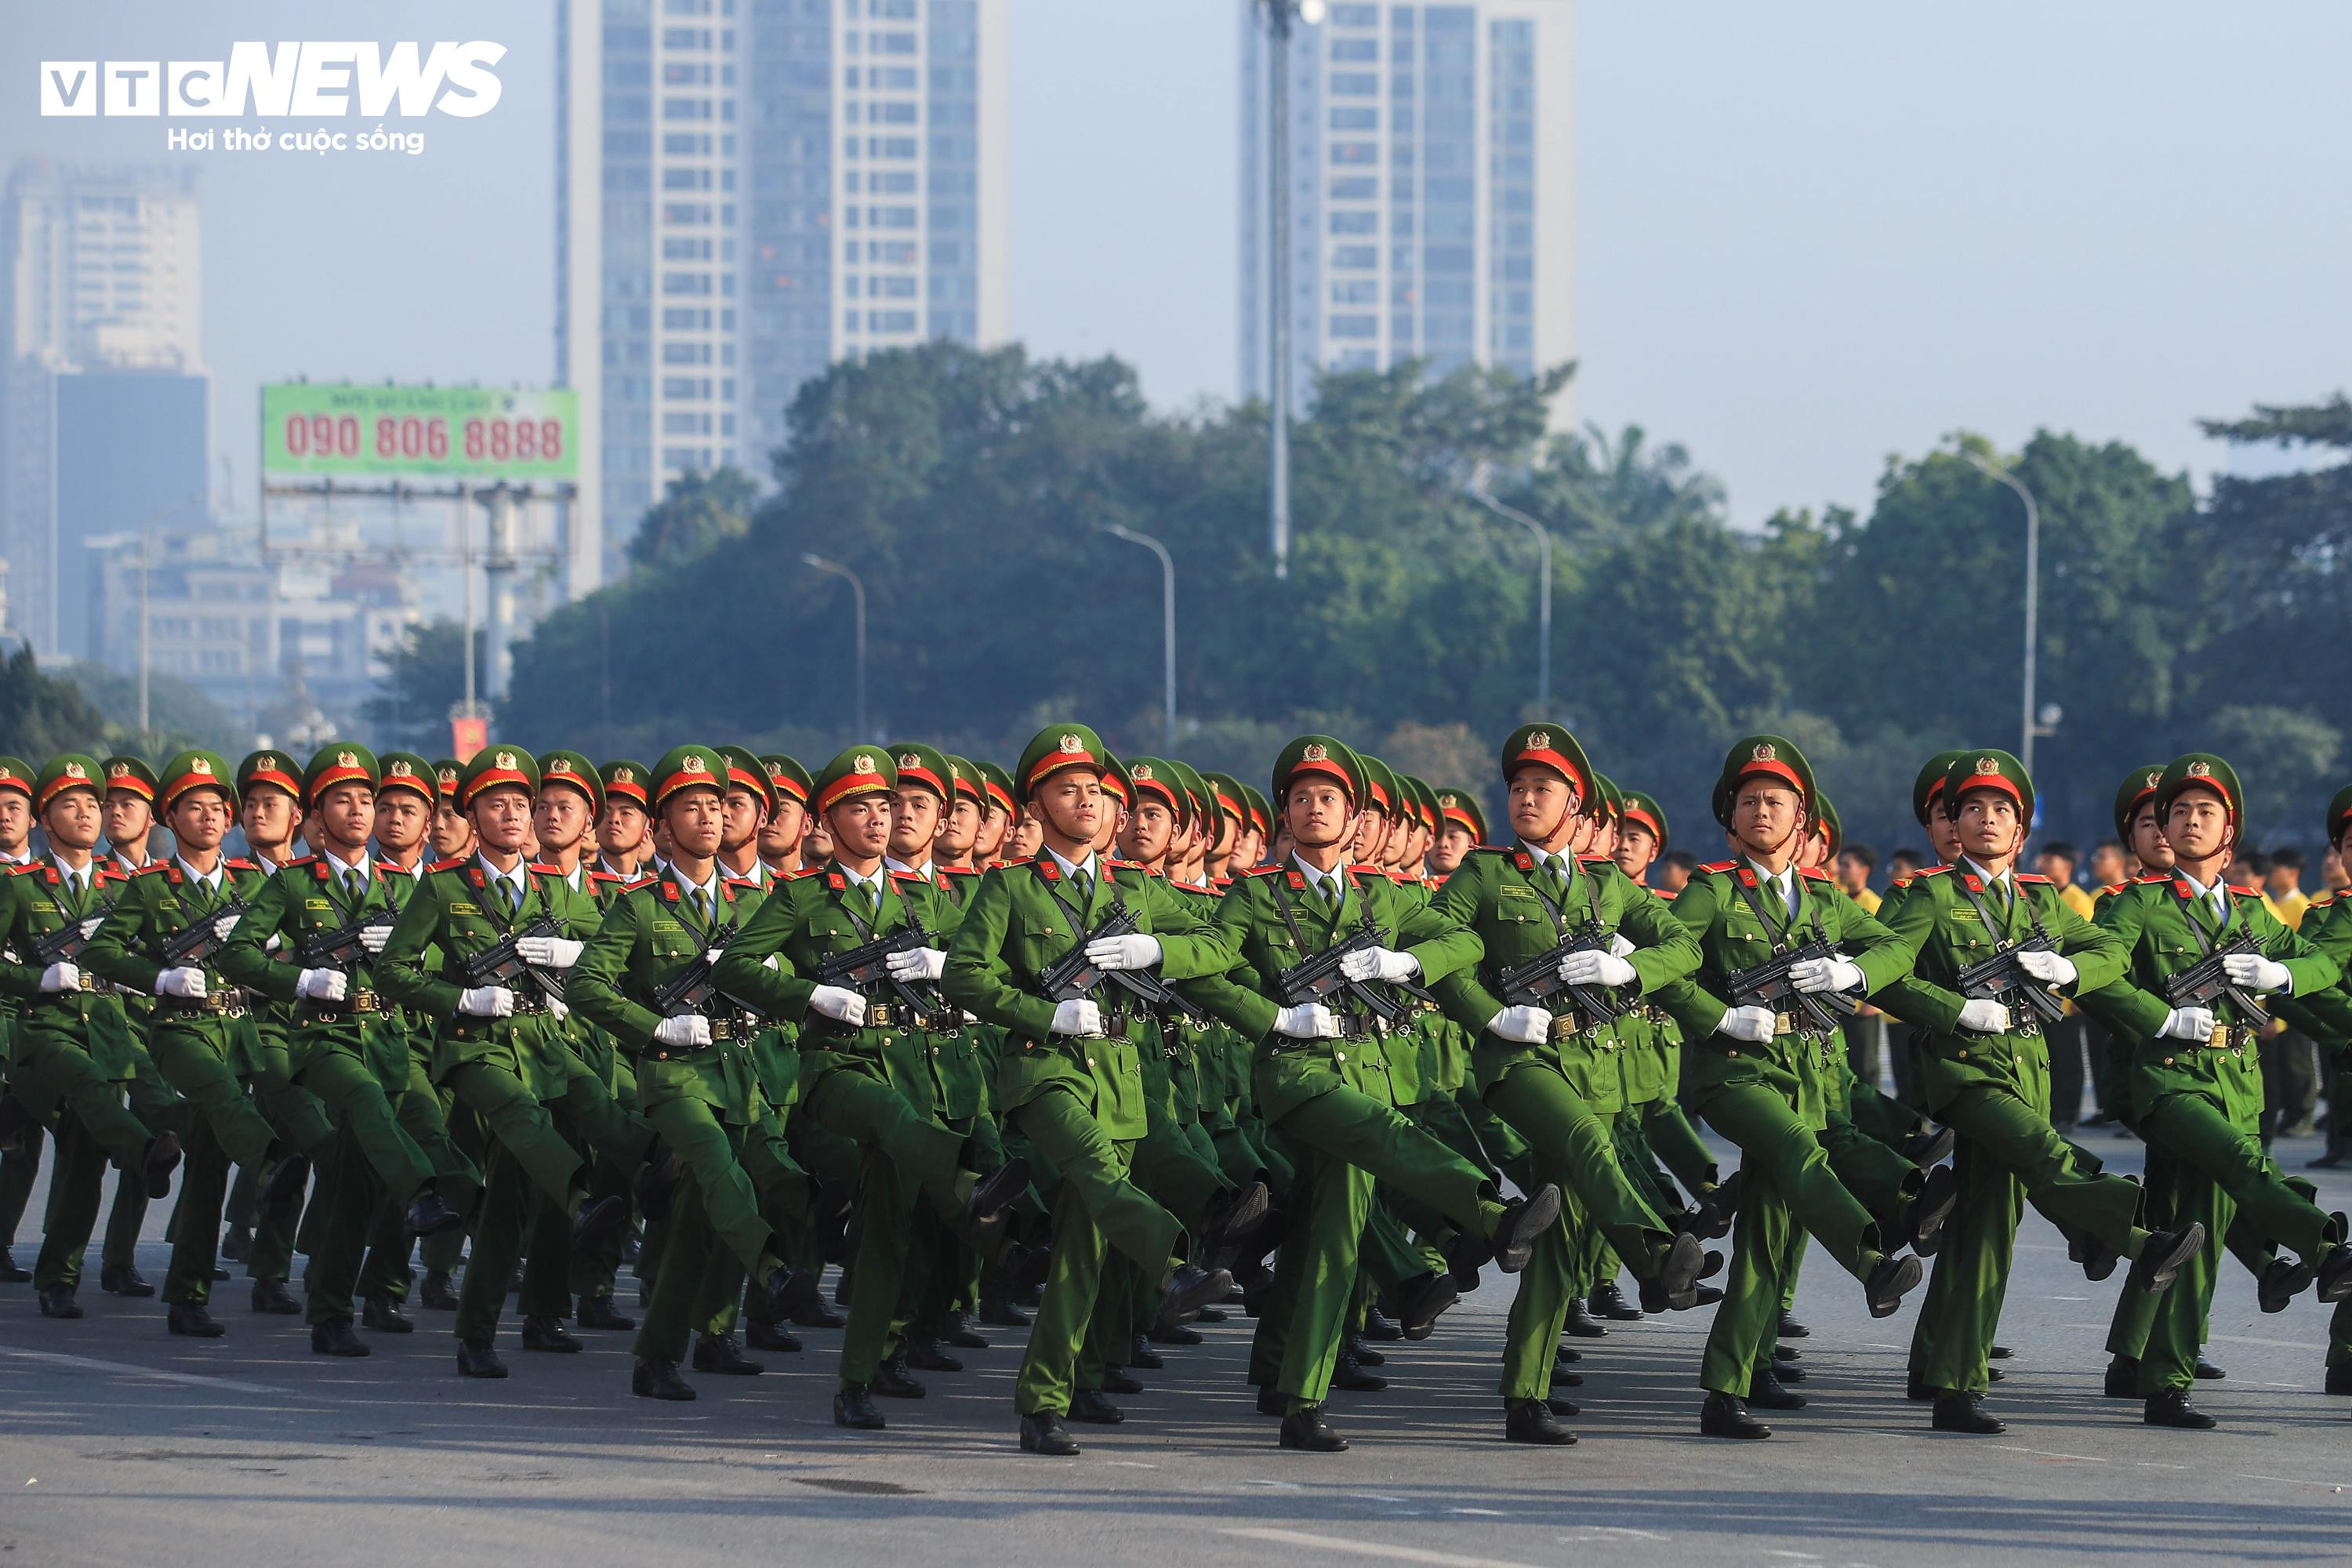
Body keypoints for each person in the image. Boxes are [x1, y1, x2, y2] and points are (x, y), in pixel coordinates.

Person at [1181, 734, 1564, 1453]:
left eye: (1328, 798)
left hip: (1368, 1071)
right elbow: (1205, 969)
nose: (1314, 808)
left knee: (1333, 1242)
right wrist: (1271, 1016)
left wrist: (1409, 960)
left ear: (1354, 819)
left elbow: (1468, 946)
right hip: (1300, 1077)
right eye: (1300, 799)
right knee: (1389, 1140)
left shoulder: (1380, 898)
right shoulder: (1257, 896)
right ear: (1283, 818)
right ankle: (1489, 1214)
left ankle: (1302, 1400)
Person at [1872, 749, 2204, 1434]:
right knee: (2044, 1154)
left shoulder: (2042, 899)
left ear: (2020, 831)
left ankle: (1954, 1386)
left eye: (2002, 811)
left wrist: (2071, 968)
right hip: (1965, 1071)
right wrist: (1954, 1009)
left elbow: (2111, 951)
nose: (1986, 820)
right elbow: (1889, 973)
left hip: (2027, 1069)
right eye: (1972, 809)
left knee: (1987, 1233)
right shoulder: (1925, 894)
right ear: (1954, 826)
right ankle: (2133, 1232)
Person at [929, 725, 1238, 1456]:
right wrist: (1045, 1011)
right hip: (1043, 1071)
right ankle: (1172, 1265)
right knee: (1095, 1169)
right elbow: (965, 975)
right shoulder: (1009, 887)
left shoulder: (1134, 889)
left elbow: (1222, 944)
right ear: (1035, 803)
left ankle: (1044, 1401)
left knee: (1082, 1247)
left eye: (1096, 791)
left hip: (1118, 1078)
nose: (1087, 801)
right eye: (1068, 790)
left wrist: (1159, 948)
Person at [1653, 735, 1926, 1439]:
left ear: (1801, 819)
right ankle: (1871, 1261)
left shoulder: (1825, 901)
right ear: (1730, 821)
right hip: (1733, 1075)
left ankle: (1729, 1386)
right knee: (1801, 1151)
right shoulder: (1712, 890)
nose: (1762, 811)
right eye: (1749, 802)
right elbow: (1668, 964)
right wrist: (1721, 1016)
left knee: (1768, 1239)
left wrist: (1853, 975)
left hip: (1804, 1074)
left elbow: (1896, 946)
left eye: (1776, 801)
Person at [2078, 753, 2352, 1427]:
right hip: (2168, 1080)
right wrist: (2162, 1017)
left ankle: (2163, 1379)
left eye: (2205, 812)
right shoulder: (2137, 903)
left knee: (2196, 1228)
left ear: (2229, 833)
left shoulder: (2254, 913)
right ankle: (2325, 1248)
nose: (2189, 822)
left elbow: (2315, 963)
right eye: (2179, 812)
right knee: (2238, 1162)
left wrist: (2283, 978)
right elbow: (2104, 971)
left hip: (2237, 1081)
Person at [215, 745, 467, 1357]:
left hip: (390, 1036)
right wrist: (301, 977)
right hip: (324, 1036)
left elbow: (435, 960)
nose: (358, 811)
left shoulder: (402, 886)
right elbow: (238, 954)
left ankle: (343, 1305)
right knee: (360, 1101)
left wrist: (403, 954)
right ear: (317, 816)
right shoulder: (296, 884)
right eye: (342, 800)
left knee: (365, 1174)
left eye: (366, 800)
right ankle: (421, 1197)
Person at [0, 753, 183, 1319]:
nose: (84, 814)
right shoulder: (20, 886)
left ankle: (59, 1277)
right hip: (46, 1027)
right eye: (67, 805)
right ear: (45, 820)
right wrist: (37, 979)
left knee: (83, 1159)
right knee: (83, 1087)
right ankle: (143, 1153)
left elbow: (151, 954)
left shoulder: (121, 886)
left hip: (112, 1025)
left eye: (91, 805)